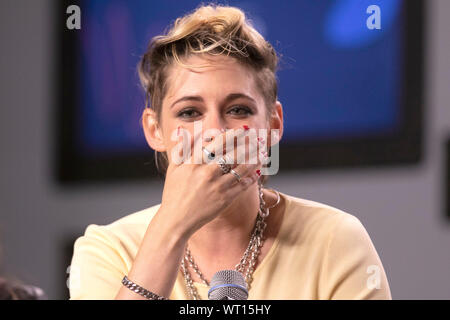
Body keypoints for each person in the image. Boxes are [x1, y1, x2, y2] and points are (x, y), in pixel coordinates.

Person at [69, 4, 392, 300]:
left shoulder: (334, 239)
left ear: (273, 125)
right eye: (190, 113)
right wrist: (173, 227)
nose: (216, 133)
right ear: (155, 130)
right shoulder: (108, 249)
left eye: (238, 110)